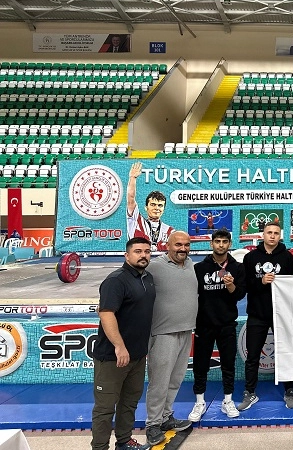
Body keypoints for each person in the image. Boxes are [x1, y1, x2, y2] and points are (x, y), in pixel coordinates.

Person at [90, 237, 155, 450]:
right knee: (105, 408)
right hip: (113, 357)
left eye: (147, 251)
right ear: (127, 255)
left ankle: (124, 441)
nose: (143, 255)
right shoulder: (116, 280)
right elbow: (106, 313)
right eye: (138, 251)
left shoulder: (147, 278)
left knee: (129, 402)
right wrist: (119, 346)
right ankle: (100, 447)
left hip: (137, 356)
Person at [144, 231, 198, 446]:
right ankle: (152, 424)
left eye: (186, 245)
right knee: (159, 382)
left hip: (186, 330)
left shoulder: (191, 264)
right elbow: (131, 280)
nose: (182, 249)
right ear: (167, 245)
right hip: (163, 333)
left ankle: (166, 417)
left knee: (175, 380)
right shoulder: (155, 266)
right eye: (178, 245)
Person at [239, 220, 293, 410]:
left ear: (280, 236)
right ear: (263, 235)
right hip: (257, 314)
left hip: (281, 314)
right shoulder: (250, 258)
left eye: (276, 233)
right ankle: (250, 392)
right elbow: (245, 286)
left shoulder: (288, 258)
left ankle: (289, 390)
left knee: (286, 353)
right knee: (253, 356)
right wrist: (262, 282)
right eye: (269, 232)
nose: (272, 236)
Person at [188, 229, 246, 422]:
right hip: (203, 325)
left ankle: (227, 400)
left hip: (227, 324)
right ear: (211, 243)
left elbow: (239, 295)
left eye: (224, 241)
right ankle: (200, 402)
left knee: (228, 365)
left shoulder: (237, 267)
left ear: (230, 244)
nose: (221, 245)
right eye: (217, 241)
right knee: (200, 365)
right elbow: (191, 295)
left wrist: (230, 286)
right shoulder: (199, 268)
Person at [127, 162, 174, 252]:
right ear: (146, 207)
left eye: (160, 205)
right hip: (138, 261)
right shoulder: (135, 221)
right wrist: (132, 178)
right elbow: (131, 198)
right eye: (153, 204)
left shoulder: (170, 231)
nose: (156, 208)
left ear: (163, 209)